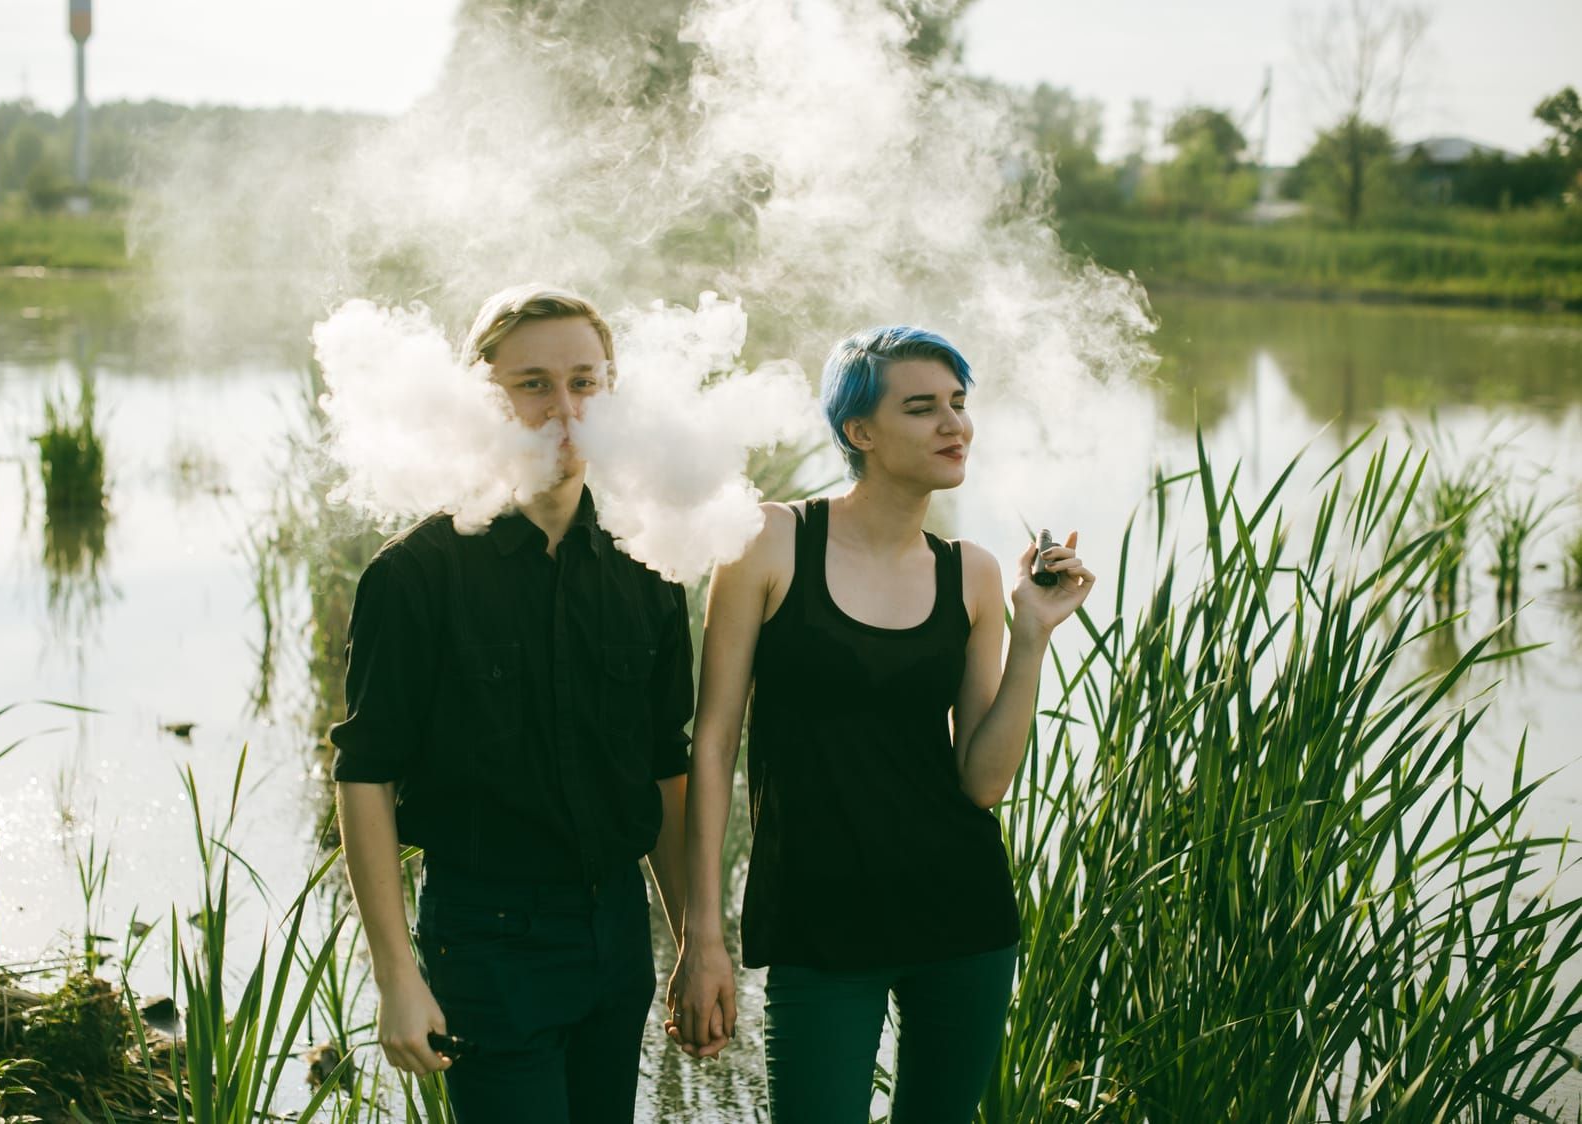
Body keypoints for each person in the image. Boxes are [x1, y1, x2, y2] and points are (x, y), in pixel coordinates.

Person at [665, 326, 1095, 1122]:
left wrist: (1031, 633)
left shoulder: (972, 571)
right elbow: (715, 744)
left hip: (961, 919)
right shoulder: (769, 541)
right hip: (817, 922)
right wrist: (704, 935)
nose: (954, 426)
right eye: (923, 407)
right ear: (859, 432)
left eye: (960, 406)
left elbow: (983, 782)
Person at [331, 285, 693, 1124]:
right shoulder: (416, 573)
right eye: (532, 385)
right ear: (478, 404)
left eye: (585, 382)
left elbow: (664, 765)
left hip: (617, 932)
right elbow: (366, 774)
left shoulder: (650, 565)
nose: (564, 409)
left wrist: (694, 941)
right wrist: (396, 977)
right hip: (487, 934)